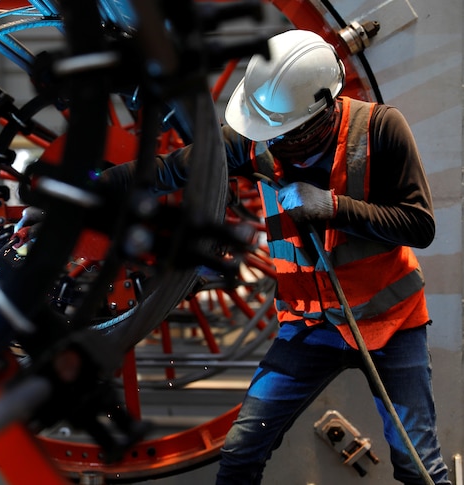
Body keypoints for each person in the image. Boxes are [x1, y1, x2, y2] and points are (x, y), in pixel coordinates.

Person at [101, 29, 450, 484]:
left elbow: (419, 225)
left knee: (418, 465)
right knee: (242, 454)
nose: (272, 143)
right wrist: (69, 197)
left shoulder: (382, 129)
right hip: (309, 330)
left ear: (322, 111)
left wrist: (335, 208)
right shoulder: (253, 140)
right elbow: (166, 171)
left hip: (392, 325)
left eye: (284, 133)